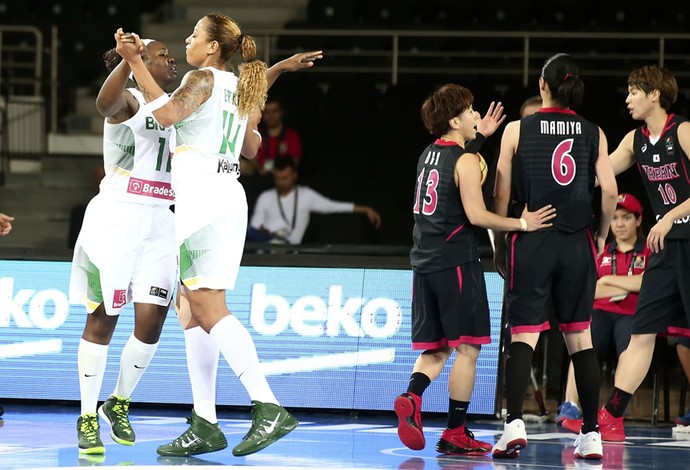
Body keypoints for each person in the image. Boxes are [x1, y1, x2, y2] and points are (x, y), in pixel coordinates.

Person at [115, 15, 320, 457]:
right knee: (190, 310)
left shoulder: (202, 77)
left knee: (207, 305)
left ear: (211, 48)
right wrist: (279, 69)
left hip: (204, 199)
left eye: (193, 36)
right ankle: (205, 421)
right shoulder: (238, 87)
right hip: (226, 196)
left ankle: (268, 406)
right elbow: (250, 148)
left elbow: (168, 114)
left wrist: (136, 65)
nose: (187, 41)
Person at [394, 83, 555, 456]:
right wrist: (523, 223)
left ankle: (411, 395)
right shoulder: (464, 160)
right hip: (456, 262)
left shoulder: (427, 155)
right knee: (467, 348)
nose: (476, 116)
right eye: (470, 111)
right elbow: (477, 214)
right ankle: (455, 430)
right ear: (454, 119)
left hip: (424, 262)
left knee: (437, 348)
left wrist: (479, 137)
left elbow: (456, 170)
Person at [491, 53, 618, 459]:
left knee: (523, 334)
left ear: (542, 86)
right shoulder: (594, 131)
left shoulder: (516, 130)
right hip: (576, 240)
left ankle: (513, 425)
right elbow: (611, 192)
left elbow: (501, 195)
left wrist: (504, 237)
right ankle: (592, 433)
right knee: (580, 336)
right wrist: (599, 236)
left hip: (533, 236)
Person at [69, 37, 178, 456]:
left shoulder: (174, 105)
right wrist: (128, 62)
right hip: (117, 214)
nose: (171, 59)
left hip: (161, 218)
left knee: (151, 321)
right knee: (104, 317)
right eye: (162, 55)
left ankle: (118, 400)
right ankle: (86, 415)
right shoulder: (130, 98)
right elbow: (103, 105)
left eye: (171, 54)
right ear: (141, 61)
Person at [589, 64, 690, 441]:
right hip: (664, 248)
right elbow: (603, 172)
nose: (628, 98)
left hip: (685, 237)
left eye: (634, 91)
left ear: (655, 95)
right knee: (642, 331)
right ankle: (612, 414)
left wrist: (671, 217)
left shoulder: (682, 130)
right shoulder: (635, 140)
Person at [557, 193, 651, 429]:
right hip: (599, 311)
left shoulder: (648, 249)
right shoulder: (601, 250)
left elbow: (648, 285)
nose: (619, 224)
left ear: (638, 221)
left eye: (626, 217)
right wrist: (623, 283)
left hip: (632, 314)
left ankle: (615, 406)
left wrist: (608, 280)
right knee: (581, 340)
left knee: (629, 347)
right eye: (615, 218)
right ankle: (571, 404)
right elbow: (589, 291)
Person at [248, 156, 381, 244]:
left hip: (287, 249)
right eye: (278, 178)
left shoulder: (306, 196)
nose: (281, 182)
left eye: (285, 178)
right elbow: (254, 229)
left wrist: (365, 209)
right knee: (248, 233)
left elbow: (333, 206)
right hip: (265, 247)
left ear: (295, 175)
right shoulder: (265, 197)